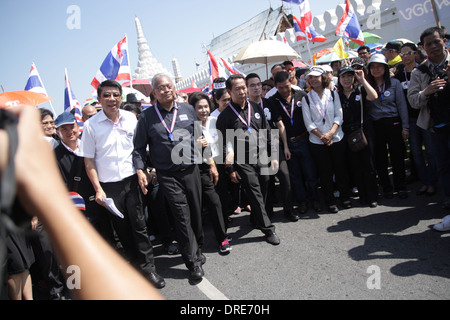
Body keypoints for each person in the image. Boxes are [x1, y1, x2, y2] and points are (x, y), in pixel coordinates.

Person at [0, 105, 163, 300]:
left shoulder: (89, 147)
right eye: (64, 129)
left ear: (78, 127)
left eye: (72, 127)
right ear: (58, 132)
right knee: (70, 256)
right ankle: (70, 290)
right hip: (73, 211)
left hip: (98, 205)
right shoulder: (54, 155)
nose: (69, 132)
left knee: (106, 244)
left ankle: (105, 280)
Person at [79, 80, 165, 289]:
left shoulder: (130, 119)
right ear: (99, 99)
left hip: (132, 180)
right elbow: (88, 161)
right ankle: (134, 269)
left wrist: (144, 170)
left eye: (116, 95)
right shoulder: (91, 126)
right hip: (109, 187)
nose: (112, 99)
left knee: (139, 226)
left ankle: (149, 268)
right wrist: (98, 189)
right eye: (106, 95)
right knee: (122, 229)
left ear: (121, 97)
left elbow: (139, 149)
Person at [133, 73, 205, 280]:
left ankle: (197, 249)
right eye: (160, 88)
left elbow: (199, 135)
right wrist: (140, 170)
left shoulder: (187, 109)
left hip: (191, 170)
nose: (166, 90)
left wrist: (207, 160)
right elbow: (138, 148)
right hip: (167, 174)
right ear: (154, 93)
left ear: (174, 88)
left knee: (196, 213)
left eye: (168, 86)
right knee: (182, 217)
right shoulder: (146, 118)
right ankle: (192, 263)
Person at [216, 74, 280, 245]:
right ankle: (268, 229)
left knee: (266, 185)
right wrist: (231, 169)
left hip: (262, 155)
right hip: (242, 160)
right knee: (255, 191)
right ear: (229, 91)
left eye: (244, 87)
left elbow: (268, 130)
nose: (243, 91)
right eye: (237, 89)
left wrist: (274, 155)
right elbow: (224, 145)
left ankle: (256, 217)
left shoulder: (255, 107)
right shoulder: (225, 117)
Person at [408, 27, 450, 210]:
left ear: (444, 41)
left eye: (436, 41)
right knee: (442, 165)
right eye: (428, 44)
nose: (433, 46)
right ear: (423, 48)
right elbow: (413, 101)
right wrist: (427, 91)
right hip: (436, 126)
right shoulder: (419, 72)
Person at [247, 72, 299, 221]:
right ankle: (267, 213)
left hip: (275, 144)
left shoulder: (269, 103)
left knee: (285, 176)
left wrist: (286, 146)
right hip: (258, 149)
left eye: (259, 85)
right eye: (252, 85)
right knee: (266, 181)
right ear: (247, 88)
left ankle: (288, 210)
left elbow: (280, 124)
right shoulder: (245, 108)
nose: (256, 88)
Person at [268, 71, 321, 214]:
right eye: (280, 87)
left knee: (310, 173)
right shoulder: (273, 101)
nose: (284, 90)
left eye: (286, 86)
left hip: (304, 140)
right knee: (295, 176)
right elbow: (280, 125)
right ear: (275, 86)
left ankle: (315, 199)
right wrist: (285, 146)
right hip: (289, 144)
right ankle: (302, 202)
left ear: (290, 81)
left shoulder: (301, 95)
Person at [302, 66, 351, 213]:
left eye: (316, 76)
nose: (313, 79)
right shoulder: (306, 98)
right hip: (317, 141)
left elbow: (339, 115)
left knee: (341, 169)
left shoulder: (333, 94)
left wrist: (330, 133)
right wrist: (322, 136)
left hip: (336, 137)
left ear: (323, 78)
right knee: (325, 172)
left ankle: (345, 196)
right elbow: (308, 122)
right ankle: (330, 200)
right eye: (310, 77)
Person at [190, 92, 231, 254]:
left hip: (219, 165)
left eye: (206, 106)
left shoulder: (216, 120)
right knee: (207, 203)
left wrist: (230, 155)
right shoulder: (189, 126)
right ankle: (199, 242)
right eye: (199, 107)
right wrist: (195, 145)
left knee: (220, 201)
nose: (203, 110)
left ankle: (222, 236)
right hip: (201, 169)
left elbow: (227, 140)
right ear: (192, 109)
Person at [396, 42, 437, 196]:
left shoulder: (423, 70)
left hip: (425, 116)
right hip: (410, 119)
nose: (405, 57)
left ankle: (432, 182)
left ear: (415, 53)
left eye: (408, 53)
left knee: (431, 151)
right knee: (416, 152)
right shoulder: (398, 74)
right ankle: (424, 181)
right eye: (402, 54)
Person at [366, 54, 409, 199]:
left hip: (394, 122)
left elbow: (401, 105)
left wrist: (405, 126)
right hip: (376, 125)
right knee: (380, 158)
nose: (376, 69)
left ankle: (401, 186)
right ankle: (386, 187)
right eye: (373, 67)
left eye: (379, 66)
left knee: (397, 156)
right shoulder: (367, 85)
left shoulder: (395, 83)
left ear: (385, 68)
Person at [337, 66, 379, 207]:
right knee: (355, 166)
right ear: (339, 79)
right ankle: (363, 195)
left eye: (349, 76)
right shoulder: (337, 95)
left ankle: (372, 196)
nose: (346, 79)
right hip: (348, 134)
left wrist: (363, 80)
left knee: (368, 164)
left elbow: (374, 96)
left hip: (364, 131)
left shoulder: (360, 90)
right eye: (343, 77)